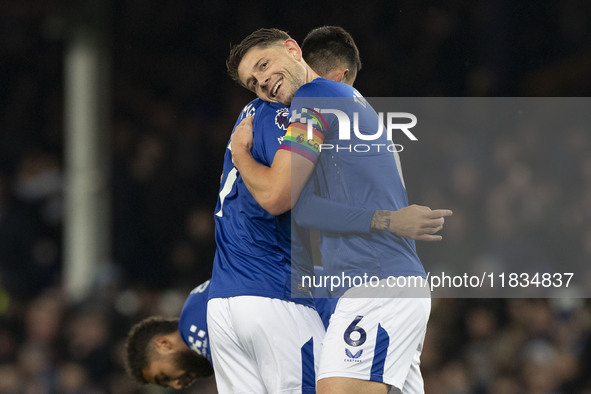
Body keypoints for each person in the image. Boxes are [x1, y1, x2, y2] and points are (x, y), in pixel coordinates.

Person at [227, 27, 453, 394]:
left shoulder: (316, 98)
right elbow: (310, 209)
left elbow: (276, 196)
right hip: (377, 283)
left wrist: (240, 154)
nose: (262, 82)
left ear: (292, 49)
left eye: (264, 65)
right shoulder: (347, 102)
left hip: (375, 283)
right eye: (252, 83)